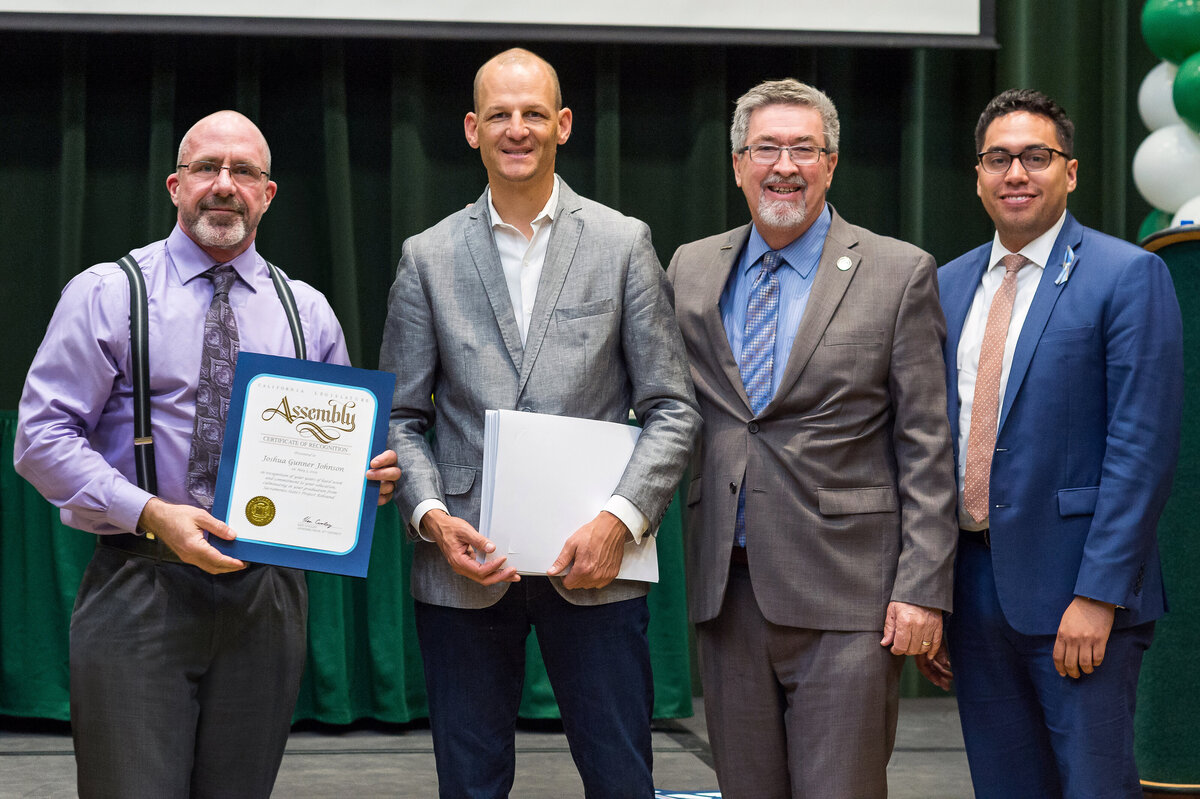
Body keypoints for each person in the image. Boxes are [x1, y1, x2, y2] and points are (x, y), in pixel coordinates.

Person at [14, 110, 400, 798]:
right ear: (174, 185)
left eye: (244, 171)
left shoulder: (305, 311)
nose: (224, 185)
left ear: (268, 194)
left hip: (267, 596)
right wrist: (153, 513)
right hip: (140, 587)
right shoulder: (109, 292)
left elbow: (346, 453)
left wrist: (368, 476)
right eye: (206, 169)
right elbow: (40, 439)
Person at [380, 48, 700, 797]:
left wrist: (620, 520)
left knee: (622, 777)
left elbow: (672, 408)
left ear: (562, 124)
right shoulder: (426, 257)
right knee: (470, 783)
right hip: (464, 563)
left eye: (532, 113)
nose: (515, 129)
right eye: (499, 114)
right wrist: (429, 517)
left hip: (596, 559)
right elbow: (400, 417)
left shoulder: (623, 244)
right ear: (471, 129)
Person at [667, 78, 958, 798]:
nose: (785, 165)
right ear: (737, 163)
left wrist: (921, 589)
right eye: (766, 147)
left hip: (851, 600)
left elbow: (927, 444)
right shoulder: (691, 268)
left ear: (832, 164)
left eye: (805, 147)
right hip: (726, 592)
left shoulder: (898, 271)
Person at [921, 89, 1183, 799]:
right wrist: (931, 595)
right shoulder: (944, 287)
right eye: (999, 158)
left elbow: (1142, 448)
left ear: (1070, 172)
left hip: (1079, 595)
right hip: (972, 596)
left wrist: (1098, 595)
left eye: (1036, 157)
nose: (1016, 173)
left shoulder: (1127, 275)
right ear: (977, 175)